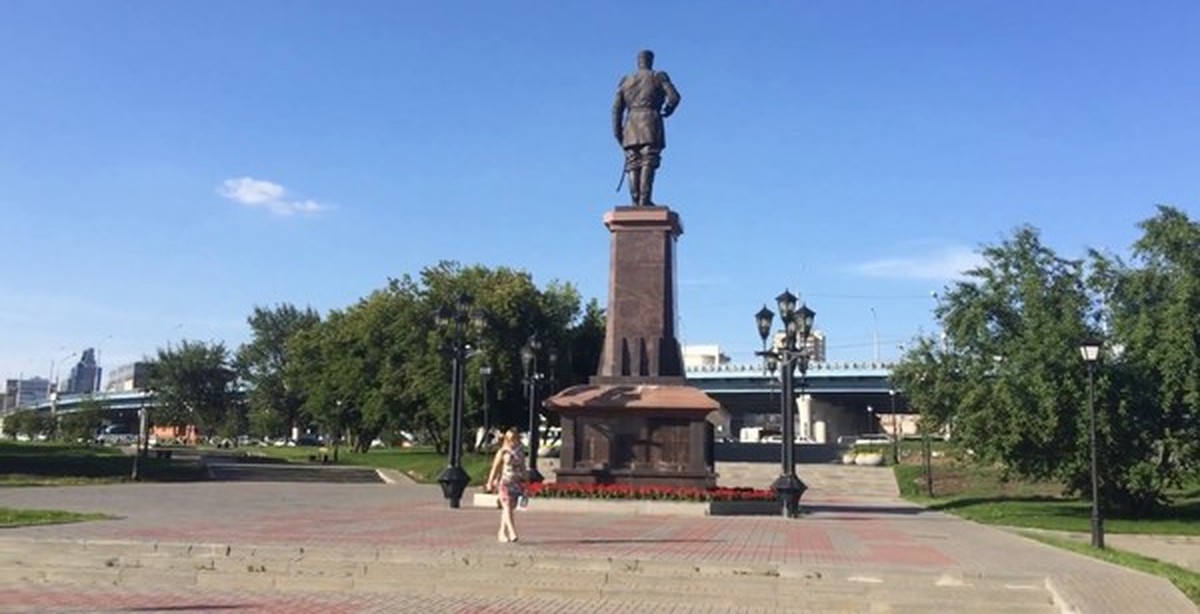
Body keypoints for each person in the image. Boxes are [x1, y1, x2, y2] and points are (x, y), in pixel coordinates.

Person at [612, 49, 681, 207]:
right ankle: (644, 199)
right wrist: (668, 108)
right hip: (651, 121)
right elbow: (674, 97)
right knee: (648, 160)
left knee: (633, 161)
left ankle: (636, 201)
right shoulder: (658, 76)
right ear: (651, 61)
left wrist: (618, 132)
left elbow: (616, 109)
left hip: (630, 126)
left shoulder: (625, 80)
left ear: (638, 62)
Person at [486, 428, 527, 543]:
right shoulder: (502, 452)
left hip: (516, 481)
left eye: (515, 439)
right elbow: (495, 468)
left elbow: (523, 466)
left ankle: (502, 532)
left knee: (510, 508)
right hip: (505, 482)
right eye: (511, 439)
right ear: (507, 440)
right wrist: (490, 481)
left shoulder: (520, 452)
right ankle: (512, 532)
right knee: (507, 506)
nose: (513, 442)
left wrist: (526, 481)